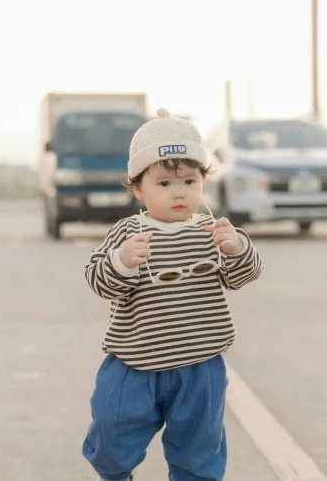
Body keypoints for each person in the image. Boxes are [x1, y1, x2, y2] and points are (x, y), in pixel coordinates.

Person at [81, 108, 264, 481]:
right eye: (164, 184)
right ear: (138, 188)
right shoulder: (127, 232)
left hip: (200, 366)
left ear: (202, 182)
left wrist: (237, 249)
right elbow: (98, 280)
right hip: (134, 362)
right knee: (111, 437)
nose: (179, 193)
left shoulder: (211, 231)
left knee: (198, 451)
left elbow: (241, 276)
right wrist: (122, 261)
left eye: (189, 182)